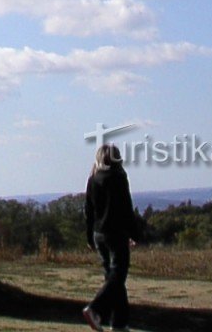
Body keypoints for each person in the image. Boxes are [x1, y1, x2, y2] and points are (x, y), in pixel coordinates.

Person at [82, 142, 139, 331]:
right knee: (118, 275)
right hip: (116, 233)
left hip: (99, 233)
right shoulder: (119, 177)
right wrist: (134, 232)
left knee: (113, 279)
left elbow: (88, 211)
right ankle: (95, 309)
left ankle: (119, 324)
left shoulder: (93, 179)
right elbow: (126, 207)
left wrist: (89, 236)